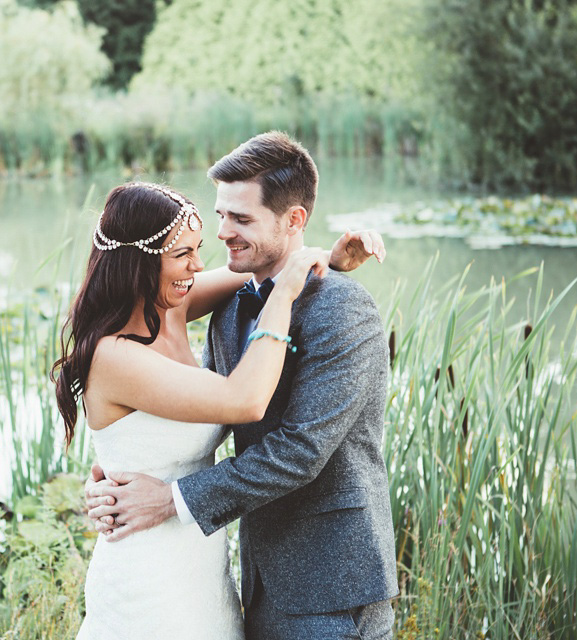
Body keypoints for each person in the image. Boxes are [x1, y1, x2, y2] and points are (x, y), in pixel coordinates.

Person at [85, 132, 399, 639]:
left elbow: (298, 450)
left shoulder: (345, 309)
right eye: (221, 216)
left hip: (331, 584)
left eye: (242, 219)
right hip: (248, 577)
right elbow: (203, 408)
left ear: (293, 219)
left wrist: (168, 497)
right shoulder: (229, 305)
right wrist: (119, 472)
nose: (223, 235)